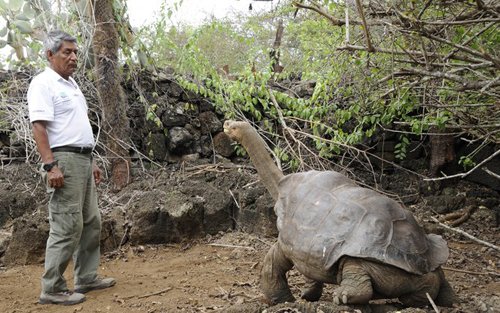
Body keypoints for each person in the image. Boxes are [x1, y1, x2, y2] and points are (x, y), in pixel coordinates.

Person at [27, 30, 115, 305]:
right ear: (50, 55)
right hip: (63, 161)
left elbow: (76, 128)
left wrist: (91, 161)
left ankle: (86, 277)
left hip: (82, 159)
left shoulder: (72, 85)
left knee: (91, 221)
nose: (74, 57)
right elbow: (39, 126)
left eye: (76, 52)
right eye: (67, 52)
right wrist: (50, 165)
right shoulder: (44, 83)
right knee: (67, 224)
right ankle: (52, 287)